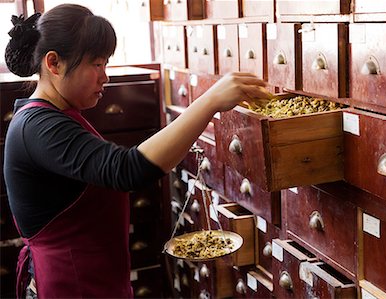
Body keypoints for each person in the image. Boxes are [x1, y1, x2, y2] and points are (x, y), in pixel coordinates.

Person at [3, 4, 271, 298]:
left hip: (94, 279)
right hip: (70, 285)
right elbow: (127, 170)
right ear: (54, 63)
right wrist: (210, 102)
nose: (105, 76)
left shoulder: (56, 113)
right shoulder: (38, 126)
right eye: (96, 64)